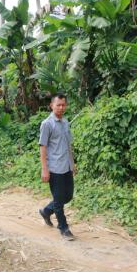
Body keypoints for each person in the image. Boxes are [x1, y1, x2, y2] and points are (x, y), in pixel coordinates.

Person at [38, 93, 76, 241]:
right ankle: (64, 228)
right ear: (51, 105)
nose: (61, 107)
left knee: (68, 196)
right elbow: (43, 147)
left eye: (63, 105)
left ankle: (47, 211)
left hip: (66, 166)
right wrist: (44, 168)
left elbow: (68, 146)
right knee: (59, 200)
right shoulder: (47, 124)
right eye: (58, 105)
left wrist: (72, 164)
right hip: (54, 168)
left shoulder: (65, 122)